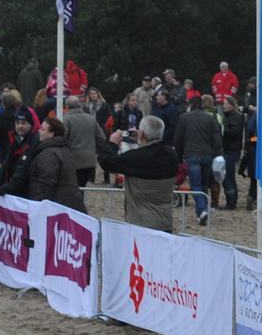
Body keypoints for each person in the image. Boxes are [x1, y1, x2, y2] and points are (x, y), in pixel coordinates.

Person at [101, 115, 181, 232]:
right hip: (165, 222)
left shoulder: (135, 159)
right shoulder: (172, 156)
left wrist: (113, 143)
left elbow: (105, 162)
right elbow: (151, 156)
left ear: (142, 134)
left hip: (141, 225)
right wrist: (140, 141)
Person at [0, 115, 86, 208]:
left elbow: (46, 184)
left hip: (57, 205)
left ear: (51, 134)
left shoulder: (48, 153)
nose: (39, 131)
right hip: (67, 203)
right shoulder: (63, 149)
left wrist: (38, 206)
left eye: (42, 129)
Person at [175, 95, 223, 225]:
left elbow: (178, 139)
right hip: (207, 155)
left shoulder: (184, 118)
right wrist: (219, 154)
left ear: (190, 105)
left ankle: (202, 211)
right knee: (204, 184)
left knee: (196, 185)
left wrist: (178, 157)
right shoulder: (210, 118)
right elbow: (217, 138)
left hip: (191, 155)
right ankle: (202, 211)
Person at [0, 109, 38, 188]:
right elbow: (4, 168)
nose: (20, 126)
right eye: (17, 123)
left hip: (24, 191)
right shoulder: (15, 141)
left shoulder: (33, 143)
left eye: (23, 123)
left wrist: (4, 189)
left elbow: (22, 172)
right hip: (12, 189)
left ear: (30, 125)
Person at [220, 100, 246, 208]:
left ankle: (231, 201)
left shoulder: (235, 117)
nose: (224, 106)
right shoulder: (227, 116)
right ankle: (231, 199)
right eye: (224, 104)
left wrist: (223, 130)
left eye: (227, 104)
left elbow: (235, 131)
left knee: (228, 176)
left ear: (232, 105)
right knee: (227, 176)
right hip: (228, 149)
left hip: (232, 150)